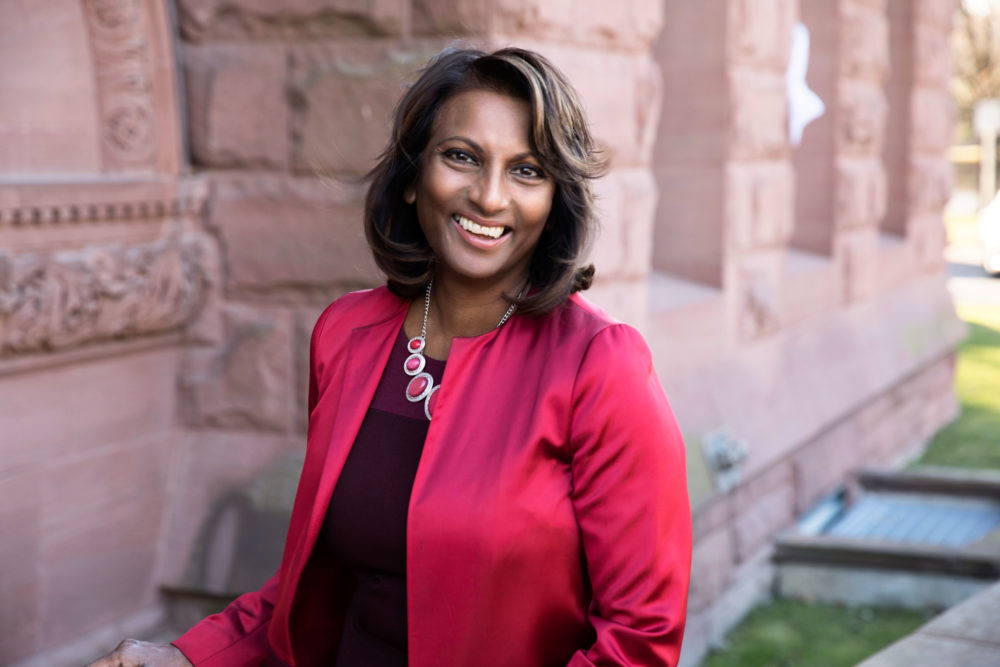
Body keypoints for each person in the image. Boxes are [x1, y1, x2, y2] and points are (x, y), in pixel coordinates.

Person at [88, 46, 691, 667]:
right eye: (462, 156)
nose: (489, 197)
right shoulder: (348, 334)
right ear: (410, 177)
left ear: (555, 200)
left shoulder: (599, 365)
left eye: (527, 170)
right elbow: (319, 586)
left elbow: (638, 640)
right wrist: (189, 657)